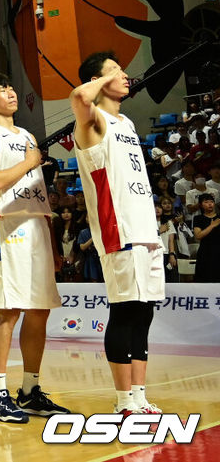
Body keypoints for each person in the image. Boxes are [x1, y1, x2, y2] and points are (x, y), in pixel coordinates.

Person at [0, 72, 69, 423]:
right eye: (2, 89)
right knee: (9, 309)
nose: (10, 93)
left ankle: (29, 390)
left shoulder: (26, 135)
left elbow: (40, 194)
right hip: (5, 226)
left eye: (11, 88)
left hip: (36, 226)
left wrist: (53, 246)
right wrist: (30, 161)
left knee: (39, 310)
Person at [71, 52, 165, 416]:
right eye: (115, 71)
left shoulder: (125, 121)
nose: (126, 76)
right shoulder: (92, 121)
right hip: (118, 229)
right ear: (96, 80)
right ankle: (123, 400)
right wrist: (98, 81)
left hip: (145, 228)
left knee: (144, 313)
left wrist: (110, 75)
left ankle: (139, 396)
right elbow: (79, 97)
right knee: (124, 312)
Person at [192, 193, 220, 282]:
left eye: (212, 202)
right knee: (203, 279)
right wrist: (212, 226)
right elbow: (198, 236)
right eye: (206, 202)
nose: (210, 204)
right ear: (200, 205)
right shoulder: (198, 218)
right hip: (205, 252)